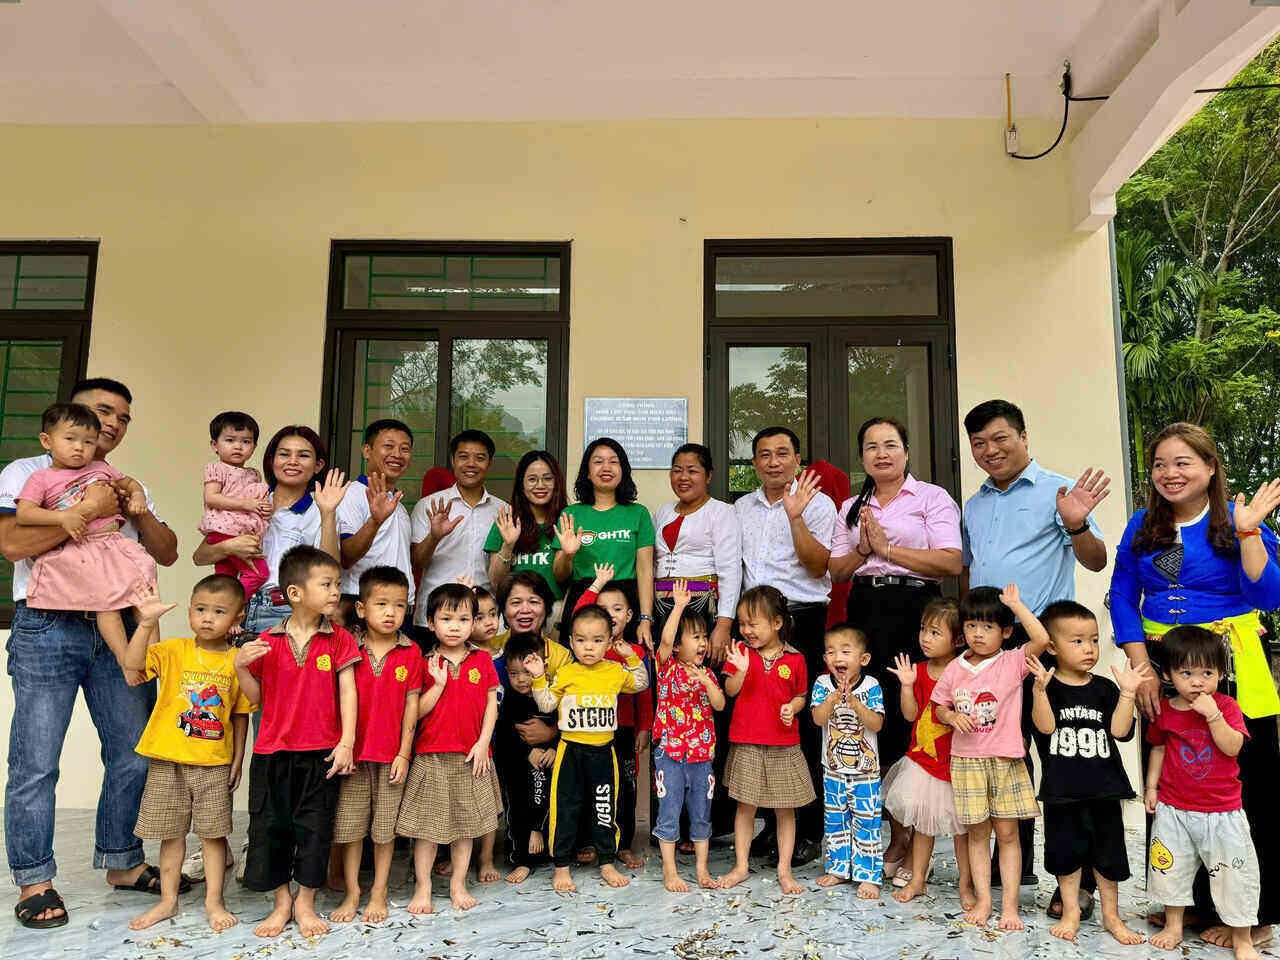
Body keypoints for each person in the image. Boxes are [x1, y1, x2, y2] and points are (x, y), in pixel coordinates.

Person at [2, 376, 178, 929]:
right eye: (104, 411)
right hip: (47, 625)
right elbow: (11, 544)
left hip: (118, 627)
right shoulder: (29, 472)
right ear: (70, 415)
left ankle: (122, 862)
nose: (113, 425)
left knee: (132, 750)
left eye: (124, 418)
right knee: (36, 761)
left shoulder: (125, 480)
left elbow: (167, 552)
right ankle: (35, 880)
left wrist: (135, 507)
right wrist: (84, 511)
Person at [1111, 422, 1280, 950]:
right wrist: (1141, 669)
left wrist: (1251, 532)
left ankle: (1251, 913)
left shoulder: (1236, 518)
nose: (1170, 473)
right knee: (1174, 781)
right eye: (1161, 464)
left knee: (1242, 784)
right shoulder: (1142, 525)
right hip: (1163, 667)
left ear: (1210, 468)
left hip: (1228, 664)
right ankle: (1180, 901)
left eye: (1183, 462)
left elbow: (1269, 591)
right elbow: (1122, 594)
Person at [961, 399, 1110, 909]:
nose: (989, 451)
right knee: (1004, 759)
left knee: (1064, 761)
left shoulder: (1059, 491)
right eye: (978, 443)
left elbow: (1095, 561)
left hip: (1044, 651)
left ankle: (1082, 883)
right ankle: (1016, 874)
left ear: (1024, 436)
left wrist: (1076, 524)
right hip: (992, 655)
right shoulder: (974, 503)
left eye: (1000, 438)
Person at [827, 417, 962, 877]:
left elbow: (951, 560)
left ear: (906, 450)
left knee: (914, 711)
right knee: (873, 712)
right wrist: (866, 551)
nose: (881, 454)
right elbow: (838, 572)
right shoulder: (851, 506)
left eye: (890, 445)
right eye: (871, 447)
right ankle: (876, 829)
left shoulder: (932, 498)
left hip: (915, 608)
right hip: (867, 608)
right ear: (861, 456)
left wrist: (888, 548)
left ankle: (907, 833)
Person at [233, 545, 359, 939]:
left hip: (321, 754)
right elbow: (255, 698)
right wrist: (239, 666)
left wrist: (347, 742)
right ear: (295, 593)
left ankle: (305, 902)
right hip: (272, 753)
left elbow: (348, 693)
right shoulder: (266, 641)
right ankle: (281, 902)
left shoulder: (339, 640)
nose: (336, 591)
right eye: (327, 584)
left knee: (315, 829)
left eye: (337, 584)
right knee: (271, 828)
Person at [122, 575, 251, 934]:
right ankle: (168, 900)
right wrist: (146, 622)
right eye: (201, 610)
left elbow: (240, 714)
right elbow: (133, 663)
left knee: (213, 836)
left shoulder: (237, 661)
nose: (208, 618)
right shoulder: (173, 650)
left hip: (213, 764)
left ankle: (214, 901)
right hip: (168, 761)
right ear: (191, 612)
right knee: (171, 835)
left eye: (219, 611)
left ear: (237, 618)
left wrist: (238, 759)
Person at [734, 426, 835, 864]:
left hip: (802, 620)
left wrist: (795, 516)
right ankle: (773, 828)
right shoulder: (740, 508)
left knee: (803, 725)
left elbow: (817, 568)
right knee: (761, 725)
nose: (773, 461)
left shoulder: (819, 503)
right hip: (755, 625)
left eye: (782, 453)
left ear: (798, 459)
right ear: (753, 463)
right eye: (763, 455)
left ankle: (809, 829)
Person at [1026, 601, 1148, 946]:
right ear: (1052, 646)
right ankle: (1070, 911)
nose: (1089, 649)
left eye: (1093, 640)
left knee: (1108, 857)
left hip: (1105, 790)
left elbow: (1122, 732)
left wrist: (1127, 694)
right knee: (1066, 856)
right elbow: (1046, 729)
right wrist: (1038, 692)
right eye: (1077, 641)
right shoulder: (1046, 686)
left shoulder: (1106, 688)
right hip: (1062, 791)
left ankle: (1112, 916)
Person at [931, 584, 1049, 931]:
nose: (977, 634)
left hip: (1005, 760)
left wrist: (1016, 603)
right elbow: (940, 707)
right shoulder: (955, 668)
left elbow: (1041, 640)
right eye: (970, 626)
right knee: (977, 835)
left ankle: (1009, 906)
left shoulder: (1012, 662)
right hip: (966, 761)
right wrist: (951, 717)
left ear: (1005, 631)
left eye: (987, 627)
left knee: (1008, 835)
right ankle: (984, 900)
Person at [1144, 626, 1263, 960]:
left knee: (1235, 875)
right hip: (1173, 808)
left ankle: (1243, 938)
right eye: (1186, 673)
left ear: (1221, 673)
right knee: (1171, 869)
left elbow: (1232, 747)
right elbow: (1158, 749)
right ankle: (1173, 925)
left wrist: (1212, 716)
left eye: (1207, 672)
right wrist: (1151, 787)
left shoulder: (1226, 706)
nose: (1197, 681)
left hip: (1222, 812)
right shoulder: (1166, 710)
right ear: (1168, 674)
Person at [15, 402, 157, 674]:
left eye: (88, 442)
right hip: (82, 550)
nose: (80, 448)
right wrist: (63, 517)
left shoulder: (100, 468)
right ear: (47, 441)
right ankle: (125, 658)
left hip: (114, 545)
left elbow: (129, 483)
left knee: (145, 589)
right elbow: (25, 513)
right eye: (70, 439)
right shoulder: (41, 477)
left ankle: (153, 656)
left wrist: (137, 496)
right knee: (107, 605)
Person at [524, 603, 650, 893]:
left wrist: (630, 658)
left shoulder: (614, 671)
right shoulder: (567, 672)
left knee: (605, 807)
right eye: (580, 640)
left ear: (609, 641)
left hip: (604, 752)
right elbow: (545, 704)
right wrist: (538, 676)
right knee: (565, 808)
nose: (588, 648)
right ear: (570, 641)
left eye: (596, 641)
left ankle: (607, 860)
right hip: (571, 752)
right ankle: (561, 866)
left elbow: (641, 683)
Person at [396, 583, 501, 914]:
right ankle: (423, 886)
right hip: (431, 756)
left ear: (473, 623)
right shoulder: (423, 661)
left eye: (463, 619)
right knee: (426, 832)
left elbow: (491, 705)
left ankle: (458, 884)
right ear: (431, 623)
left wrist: (484, 742)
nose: (454, 626)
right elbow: (416, 711)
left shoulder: (482, 660)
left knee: (465, 829)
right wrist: (438, 685)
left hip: (471, 757)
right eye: (446, 619)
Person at [329, 566, 422, 925]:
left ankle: (379, 890)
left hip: (390, 757)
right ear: (362, 608)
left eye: (399, 605)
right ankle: (353, 891)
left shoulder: (411, 652)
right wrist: (343, 745)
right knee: (351, 829)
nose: (390, 612)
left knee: (384, 831)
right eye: (381, 603)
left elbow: (412, 705)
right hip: (352, 756)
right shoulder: (348, 646)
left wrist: (404, 752)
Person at [193, 425, 346, 639]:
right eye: (284, 454)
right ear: (272, 460)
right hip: (236, 609)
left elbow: (330, 568)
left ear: (318, 465)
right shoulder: (248, 498)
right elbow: (200, 557)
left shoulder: (320, 509)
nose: (292, 461)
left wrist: (328, 513)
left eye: (303, 455)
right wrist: (228, 546)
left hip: (287, 610)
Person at [718, 585, 816, 895]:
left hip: (784, 743)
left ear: (776, 623)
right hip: (747, 740)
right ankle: (741, 866)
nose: (746, 630)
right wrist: (742, 671)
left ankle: (784, 869)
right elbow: (730, 691)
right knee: (745, 807)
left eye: (753, 623)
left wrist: (793, 707)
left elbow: (801, 695)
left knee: (785, 809)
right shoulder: (740, 653)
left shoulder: (796, 658)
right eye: (742, 624)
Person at [882, 598, 973, 906]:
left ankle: (966, 886)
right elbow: (910, 716)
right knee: (923, 825)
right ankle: (918, 880)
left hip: (956, 762)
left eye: (935, 632)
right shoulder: (918, 670)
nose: (925, 638)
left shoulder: (963, 670)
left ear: (957, 639)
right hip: (923, 761)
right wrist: (907, 686)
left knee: (962, 832)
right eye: (923, 630)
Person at [570, 563, 653, 868]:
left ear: (629, 615)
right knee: (591, 786)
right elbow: (578, 613)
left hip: (624, 729)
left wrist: (644, 727)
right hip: (589, 728)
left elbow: (643, 694)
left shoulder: (634, 652)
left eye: (617, 608)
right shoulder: (592, 648)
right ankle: (591, 840)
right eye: (602, 608)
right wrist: (596, 585)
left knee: (625, 787)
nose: (610, 614)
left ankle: (623, 843)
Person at [652, 580, 725, 893]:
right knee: (668, 814)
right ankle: (669, 871)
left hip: (701, 758)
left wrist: (707, 684)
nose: (703, 643)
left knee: (701, 815)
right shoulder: (667, 667)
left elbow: (720, 704)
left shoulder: (706, 673)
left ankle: (701, 869)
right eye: (695, 637)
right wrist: (679, 606)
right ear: (679, 646)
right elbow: (665, 640)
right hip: (670, 754)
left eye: (704, 637)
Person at [554, 437, 655, 647]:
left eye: (613, 461)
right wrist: (568, 554)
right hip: (584, 599)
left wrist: (645, 619)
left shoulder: (638, 513)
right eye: (598, 461)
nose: (606, 467)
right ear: (587, 472)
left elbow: (645, 571)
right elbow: (560, 575)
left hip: (625, 601)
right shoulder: (571, 514)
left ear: (623, 470)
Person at [811, 625, 885, 898]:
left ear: (863, 659)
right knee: (835, 821)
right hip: (832, 771)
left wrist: (857, 705)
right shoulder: (821, 684)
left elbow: (876, 724)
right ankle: (839, 868)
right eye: (831, 652)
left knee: (867, 821)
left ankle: (868, 875)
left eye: (845, 651)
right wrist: (832, 699)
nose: (837, 657)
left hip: (866, 772)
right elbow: (818, 719)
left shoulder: (872, 686)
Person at [412, 430, 506, 618]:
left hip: (483, 617)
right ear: (453, 461)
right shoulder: (428, 506)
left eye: (480, 458)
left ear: (489, 464)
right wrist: (434, 537)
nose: (471, 464)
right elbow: (416, 562)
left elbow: (505, 575)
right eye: (463, 457)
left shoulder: (503, 511)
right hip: (436, 616)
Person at [494, 631, 558, 884]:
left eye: (527, 672)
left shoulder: (551, 696)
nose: (521, 680)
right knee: (518, 810)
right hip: (519, 770)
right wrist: (527, 752)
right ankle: (522, 859)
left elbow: (564, 727)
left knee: (552, 805)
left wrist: (553, 747)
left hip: (549, 764)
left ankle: (552, 851)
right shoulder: (509, 700)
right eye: (513, 673)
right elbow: (503, 736)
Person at [337, 419, 415, 616]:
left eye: (404, 449)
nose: (397, 454)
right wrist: (375, 521)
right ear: (367, 451)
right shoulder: (351, 494)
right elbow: (346, 557)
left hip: (399, 606)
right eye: (388, 446)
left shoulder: (399, 505)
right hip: (362, 605)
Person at [198, 411, 272, 597]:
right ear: (215, 445)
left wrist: (263, 507)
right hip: (225, 531)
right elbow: (211, 497)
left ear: (254, 447)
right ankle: (232, 605)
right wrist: (246, 504)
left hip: (242, 531)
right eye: (230, 440)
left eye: (246, 442)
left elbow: (256, 501)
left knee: (225, 578)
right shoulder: (216, 468)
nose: (238, 446)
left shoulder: (253, 474)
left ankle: (227, 616)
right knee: (258, 574)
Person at [486, 450, 568, 601]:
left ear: (557, 483)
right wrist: (508, 546)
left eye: (547, 479)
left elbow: (567, 580)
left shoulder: (568, 522)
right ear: (521, 485)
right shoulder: (506, 522)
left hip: (556, 612)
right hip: (514, 612)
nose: (540, 485)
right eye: (532, 479)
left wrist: (568, 554)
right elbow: (496, 582)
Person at [471, 585, 502, 656]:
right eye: (479, 618)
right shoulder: (467, 657)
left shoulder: (501, 650)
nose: (489, 623)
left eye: (493, 614)